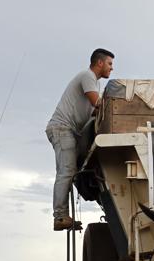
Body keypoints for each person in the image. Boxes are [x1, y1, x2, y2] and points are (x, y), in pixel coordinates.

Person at [46, 48, 114, 230]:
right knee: (66, 170)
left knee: (72, 170)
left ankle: (64, 215)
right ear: (99, 62)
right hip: (62, 128)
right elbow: (98, 104)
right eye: (109, 63)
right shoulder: (87, 76)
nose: (111, 68)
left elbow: (94, 112)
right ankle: (60, 216)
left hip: (70, 131)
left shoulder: (94, 83)